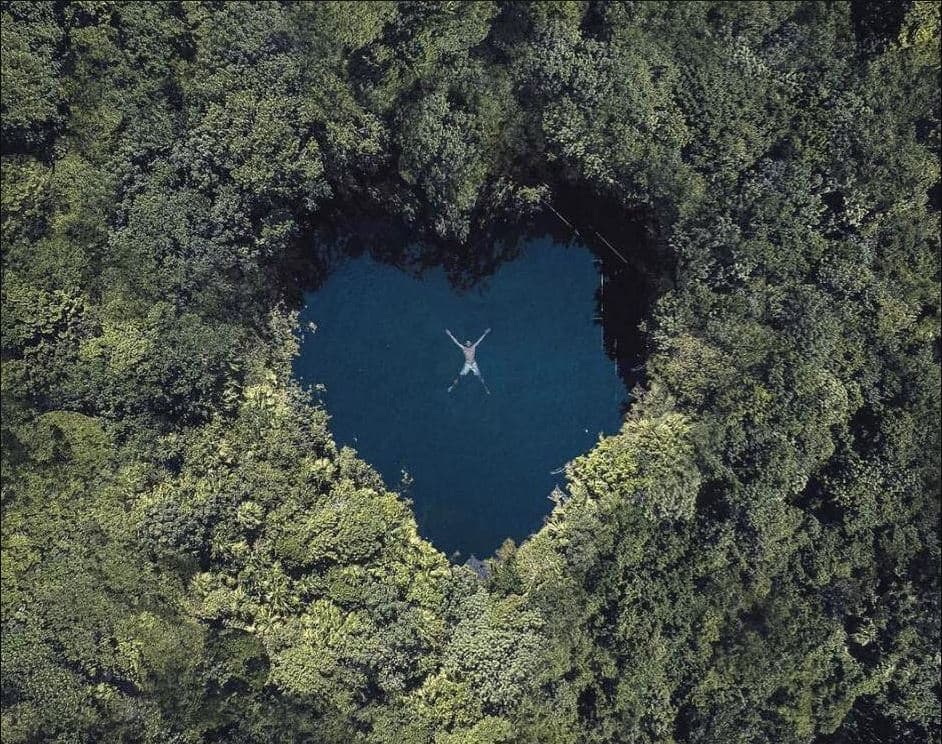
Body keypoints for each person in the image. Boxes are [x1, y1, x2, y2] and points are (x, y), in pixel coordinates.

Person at [446, 328, 491, 394]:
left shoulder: (473, 347)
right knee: (460, 377)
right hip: (467, 364)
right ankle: (451, 387)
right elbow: (456, 342)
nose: (468, 343)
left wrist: (485, 333)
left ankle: (486, 389)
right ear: (466, 343)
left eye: (469, 342)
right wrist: (450, 335)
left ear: (470, 343)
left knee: (480, 377)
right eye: (467, 342)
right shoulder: (464, 348)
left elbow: (480, 340)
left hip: (473, 363)